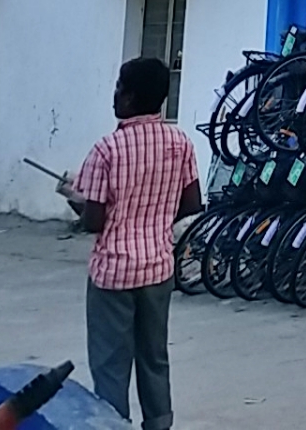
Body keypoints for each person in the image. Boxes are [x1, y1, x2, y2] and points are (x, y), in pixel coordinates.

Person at [56, 57, 202, 430]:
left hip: (114, 274)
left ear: (132, 97)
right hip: (157, 267)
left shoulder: (106, 150)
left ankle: (112, 425)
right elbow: (191, 202)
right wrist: (153, 220)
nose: (115, 94)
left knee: (110, 364)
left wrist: (75, 197)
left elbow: (94, 221)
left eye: (120, 87)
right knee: (154, 356)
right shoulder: (180, 142)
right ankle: (159, 423)